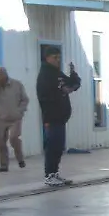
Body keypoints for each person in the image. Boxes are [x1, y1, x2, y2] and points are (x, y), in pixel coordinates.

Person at [36, 47, 80, 187]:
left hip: (61, 117)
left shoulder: (57, 73)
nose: (57, 60)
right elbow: (44, 96)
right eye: (55, 57)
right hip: (52, 116)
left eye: (59, 57)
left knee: (59, 146)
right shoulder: (45, 75)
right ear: (47, 58)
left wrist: (73, 75)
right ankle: (49, 174)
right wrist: (61, 92)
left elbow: (72, 83)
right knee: (52, 146)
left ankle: (54, 173)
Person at [0, 66, 28, 171]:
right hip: (1, 118)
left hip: (15, 118)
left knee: (14, 138)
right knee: (0, 142)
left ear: (5, 75)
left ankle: (20, 158)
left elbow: (25, 99)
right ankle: (4, 165)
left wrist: (20, 111)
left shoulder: (17, 84)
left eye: (0, 77)